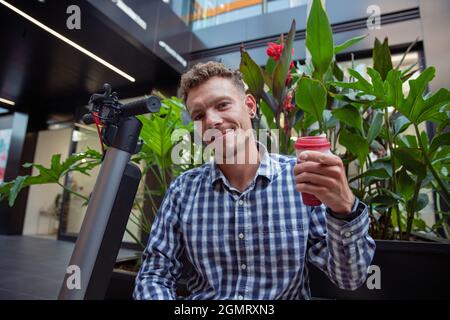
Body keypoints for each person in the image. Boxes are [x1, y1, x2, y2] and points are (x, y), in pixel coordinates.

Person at [133, 61, 375, 300]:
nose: (212, 121)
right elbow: (154, 275)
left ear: (250, 106)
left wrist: (344, 211)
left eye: (223, 104)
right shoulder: (183, 190)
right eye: (199, 115)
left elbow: (349, 278)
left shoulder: (299, 179)